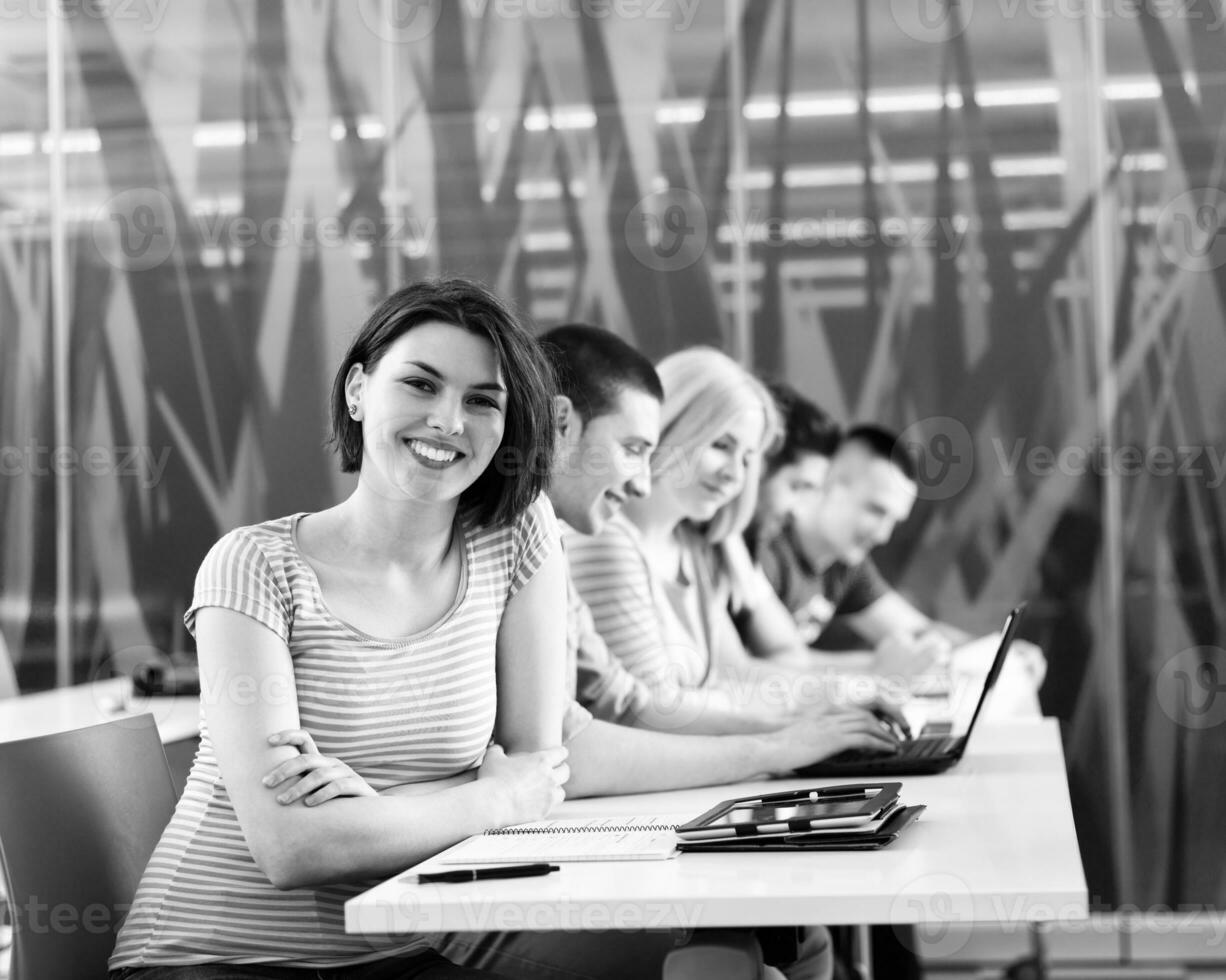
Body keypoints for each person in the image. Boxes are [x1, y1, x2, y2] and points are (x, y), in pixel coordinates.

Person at [268, 327, 896, 980]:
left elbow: (577, 732)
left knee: (765, 948)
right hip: (397, 910)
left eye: (482, 402)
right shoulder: (528, 541)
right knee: (742, 956)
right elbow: (575, 742)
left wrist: (792, 732)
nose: (643, 478)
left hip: (456, 869)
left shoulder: (528, 542)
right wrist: (779, 740)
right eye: (634, 448)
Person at [109, 278, 572, 979]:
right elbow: (291, 849)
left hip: (408, 948)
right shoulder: (253, 564)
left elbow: (539, 768)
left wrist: (376, 811)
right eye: (421, 385)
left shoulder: (514, 537)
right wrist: (490, 798)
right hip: (211, 956)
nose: (449, 421)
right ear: (359, 392)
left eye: (482, 400)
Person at [565, 347, 903, 732]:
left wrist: (843, 696)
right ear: (670, 428)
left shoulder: (691, 546)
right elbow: (653, 713)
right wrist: (801, 717)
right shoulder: (607, 540)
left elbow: (735, 676)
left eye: (746, 458)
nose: (734, 475)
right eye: (721, 446)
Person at [752, 389, 1045, 686]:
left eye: (894, 520)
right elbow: (769, 663)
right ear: (831, 481)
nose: (883, 535)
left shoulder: (846, 566)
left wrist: (998, 654)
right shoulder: (763, 548)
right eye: (876, 510)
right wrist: (878, 667)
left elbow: (920, 634)